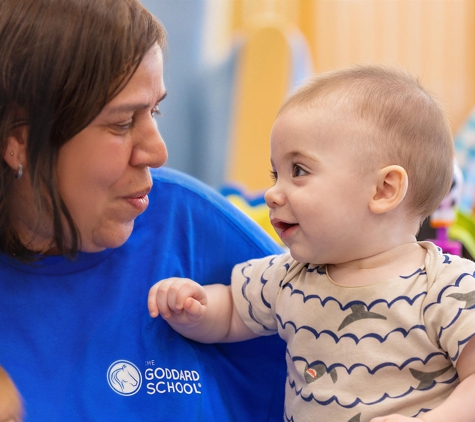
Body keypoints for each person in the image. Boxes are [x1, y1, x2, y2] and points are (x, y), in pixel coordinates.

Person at [0, 0, 287, 420]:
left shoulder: (189, 224)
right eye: (121, 123)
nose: (157, 151)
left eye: (154, 111)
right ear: (18, 141)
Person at [149, 64, 475, 422]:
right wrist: (194, 308)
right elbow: (230, 312)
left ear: (384, 190)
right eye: (277, 174)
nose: (273, 193)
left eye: (299, 171)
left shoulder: (447, 287)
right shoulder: (290, 276)